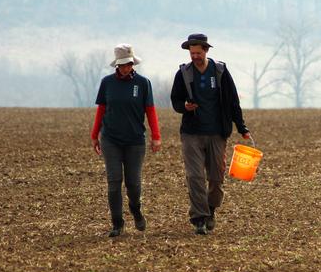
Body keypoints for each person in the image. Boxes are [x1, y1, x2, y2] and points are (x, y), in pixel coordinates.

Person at [170, 33, 250, 235]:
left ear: (206, 50)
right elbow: (175, 101)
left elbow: (233, 102)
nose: (194, 56)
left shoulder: (220, 71)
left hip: (217, 133)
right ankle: (199, 218)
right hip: (191, 133)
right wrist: (185, 106)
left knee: (216, 177)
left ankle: (211, 210)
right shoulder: (183, 74)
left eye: (198, 52)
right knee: (195, 176)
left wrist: (241, 127)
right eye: (192, 52)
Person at [91, 44, 162, 237]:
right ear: (117, 65)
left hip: (135, 141)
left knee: (133, 183)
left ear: (133, 63)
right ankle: (117, 223)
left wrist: (156, 137)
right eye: (123, 65)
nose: (126, 68)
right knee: (114, 181)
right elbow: (101, 110)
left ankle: (136, 209)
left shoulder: (143, 83)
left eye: (129, 64)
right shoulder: (107, 83)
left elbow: (150, 111)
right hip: (110, 139)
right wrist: (94, 135)